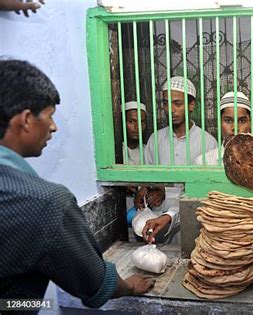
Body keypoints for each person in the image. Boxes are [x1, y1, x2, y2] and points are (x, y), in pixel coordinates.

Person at [0, 59, 154, 308]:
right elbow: (96, 283)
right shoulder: (45, 202)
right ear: (27, 119)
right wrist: (129, 285)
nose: (53, 126)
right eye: (49, 115)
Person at [141, 76, 217, 244]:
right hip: (157, 222)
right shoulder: (155, 139)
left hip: (193, 222)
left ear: (191, 105)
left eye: (178, 103)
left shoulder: (208, 142)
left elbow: (206, 191)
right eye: (166, 103)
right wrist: (149, 190)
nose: (171, 110)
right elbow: (147, 179)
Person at [122, 101, 165, 226]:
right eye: (131, 122)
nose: (137, 127)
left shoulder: (148, 149)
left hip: (144, 212)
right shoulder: (116, 152)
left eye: (142, 122)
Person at [194, 91, 251, 165]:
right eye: (228, 120)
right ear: (220, 122)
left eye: (242, 121)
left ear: (250, 123)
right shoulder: (205, 162)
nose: (235, 127)